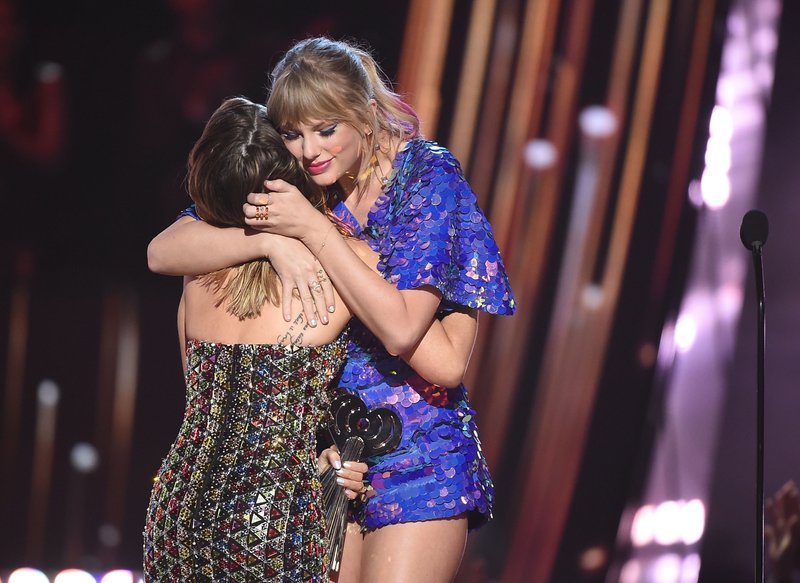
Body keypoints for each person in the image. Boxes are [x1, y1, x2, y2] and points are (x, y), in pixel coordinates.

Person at [147, 37, 515, 583]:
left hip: (414, 451)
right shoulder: (308, 180)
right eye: (293, 133)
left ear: (365, 115)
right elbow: (168, 247)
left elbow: (418, 344)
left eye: (326, 130)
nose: (309, 149)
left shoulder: (424, 178)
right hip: (321, 464)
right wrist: (267, 242)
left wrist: (313, 232)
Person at [142, 96, 368, 581]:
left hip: (179, 509)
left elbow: (162, 249)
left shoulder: (195, 273)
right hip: (273, 517)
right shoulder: (348, 266)